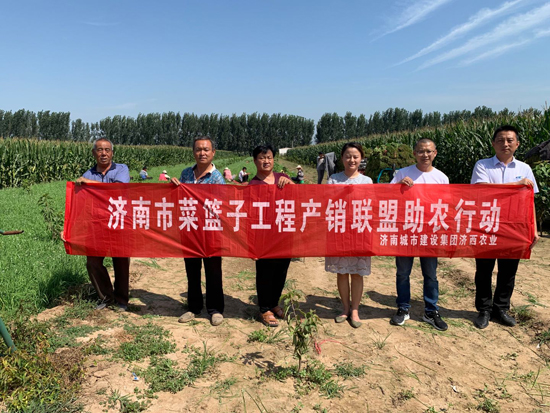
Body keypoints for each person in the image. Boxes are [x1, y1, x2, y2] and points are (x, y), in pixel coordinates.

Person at [471, 125, 539, 329]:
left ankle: (501, 309)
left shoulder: (524, 169)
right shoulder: (483, 165)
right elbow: (482, 190)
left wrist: (534, 228)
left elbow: (530, 200)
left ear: (517, 144)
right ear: (493, 144)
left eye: (510, 140)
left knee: (508, 270)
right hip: (487, 224)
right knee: (484, 270)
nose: (505, 144)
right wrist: (516, 186)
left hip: (514, 226)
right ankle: (484, 309)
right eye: (500, 140)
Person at [389, 138, 449, 331]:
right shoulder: (402, 173)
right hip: (406, 231)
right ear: (414, 153)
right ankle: (403, 308)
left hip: (429, 232)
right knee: (403, 273)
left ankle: (431, 310)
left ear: (435, 153)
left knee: (430, 274)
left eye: (429, 151)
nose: (425, 155)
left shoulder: (441, 178)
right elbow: (387, 197)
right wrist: (398, 186)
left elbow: (446, 206)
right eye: (421, 151)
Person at [170, 136, 226, 326]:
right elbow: (180, 198)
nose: (202, 153)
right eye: (198, 149)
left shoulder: (217, 178)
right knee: (192, 270)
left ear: (213, 153)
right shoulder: (186, 173)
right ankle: (193, 307)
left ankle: (215, 309)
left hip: (211, 230)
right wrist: (174, 187)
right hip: (190, 228)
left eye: (206, 149)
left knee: (213, 270)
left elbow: (222, 205)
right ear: (193, 152)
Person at [72, 138, 131, 311]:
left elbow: (118, 189)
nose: (103, 153)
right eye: (99, 150)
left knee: (121, 261)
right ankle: (106, 297)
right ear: (93, 153)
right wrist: (68, 228)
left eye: (107, 150)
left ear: (112, 153)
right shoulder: (88, 174)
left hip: (118, 220)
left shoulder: (121, 169)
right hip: (97, 224)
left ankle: (121, 299)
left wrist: (90, 184)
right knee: (93, 261)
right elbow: (80, 204)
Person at [325, 142, 372, 328]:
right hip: (340, 231)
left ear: (361, 159)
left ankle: (355, 310)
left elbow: (371, 205)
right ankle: (345, 308)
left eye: (355, 156)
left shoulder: (367, 181)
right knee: (342, 271)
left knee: (357, 272)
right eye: (347, 156)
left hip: (359, 230)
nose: (351, 160)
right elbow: (327, 202)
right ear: (342, 159)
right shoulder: (333, 179)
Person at [249, 144, 294, 327]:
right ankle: (264, 308)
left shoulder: (283, 179)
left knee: (281, 271)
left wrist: (291, 185)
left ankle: (274, 303)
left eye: (269, 157)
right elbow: (249, 216)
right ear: (255, 161)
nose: (266, 161)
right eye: (262, 158)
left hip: (284, 233)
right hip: (263, 236)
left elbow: (300, 198)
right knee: (265, 272)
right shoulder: (253, 185)